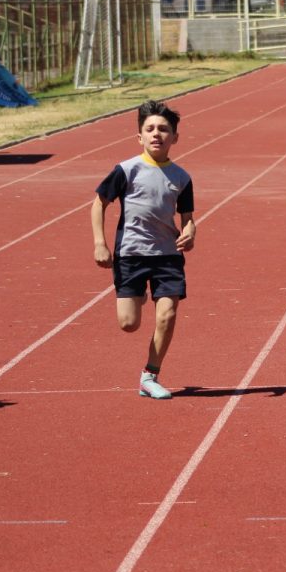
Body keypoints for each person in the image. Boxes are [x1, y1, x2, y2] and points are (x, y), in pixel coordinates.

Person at [91, 100, 195, 400]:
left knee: (168, 314)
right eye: (149, 129)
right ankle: (139, 293)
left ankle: (150, 375)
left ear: (175, 137)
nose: (156, 134)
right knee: (129, 324)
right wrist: (100, 243)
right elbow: (99, 204)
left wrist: (190, 232)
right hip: (131, 254)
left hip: (167, 256)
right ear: (139, 137)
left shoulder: (181, 177)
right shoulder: (126, 170)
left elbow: (188, 219)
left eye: (163, 129)